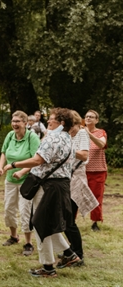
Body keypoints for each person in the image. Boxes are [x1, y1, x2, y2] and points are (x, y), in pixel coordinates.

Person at [4, 108, 81, 278]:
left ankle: (48, 268)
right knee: (46, 222)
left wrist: (14, 164)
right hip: (61, 186)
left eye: (51, 120)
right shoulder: (68, 137)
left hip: (49, 187)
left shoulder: (53, 137)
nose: (48, 122)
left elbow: (37, 160)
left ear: (61, 123)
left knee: (40, 224)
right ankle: (68, 255)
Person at [0, 111, 40, 256]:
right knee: (8, 208)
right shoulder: (10, 135)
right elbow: (4, 152)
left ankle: (28, 243)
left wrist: (21, 172)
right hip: (10, 179)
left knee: (24, 211)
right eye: (13, 121)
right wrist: (0, 167)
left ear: (25, 123)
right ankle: (14, 236)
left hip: (26, 181)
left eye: (18, 121)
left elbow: (36, 160)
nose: (14, 124)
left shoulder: (32, 137)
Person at [63, 110, 99, 264]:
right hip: (66, 178)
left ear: (76, 123)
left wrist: (64, 149)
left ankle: (78, 254)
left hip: (76, 179)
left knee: (68, 220)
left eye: (69, 124)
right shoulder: (66, 134)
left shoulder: (82, 134)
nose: (67, 128)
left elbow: (84, 155)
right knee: (65, 219)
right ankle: (72, 251)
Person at [84, 109, 107, 231]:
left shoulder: (101, 133)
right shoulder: (80, 133)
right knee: (76, 196)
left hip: (98, 170)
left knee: (96, 196)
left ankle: (95, 222)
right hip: (81, 170)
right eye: (87, 116)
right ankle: (70, 220)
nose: (88, 118)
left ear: (96, 120)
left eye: (91, 117)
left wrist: (89, 134)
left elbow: (101, 145)